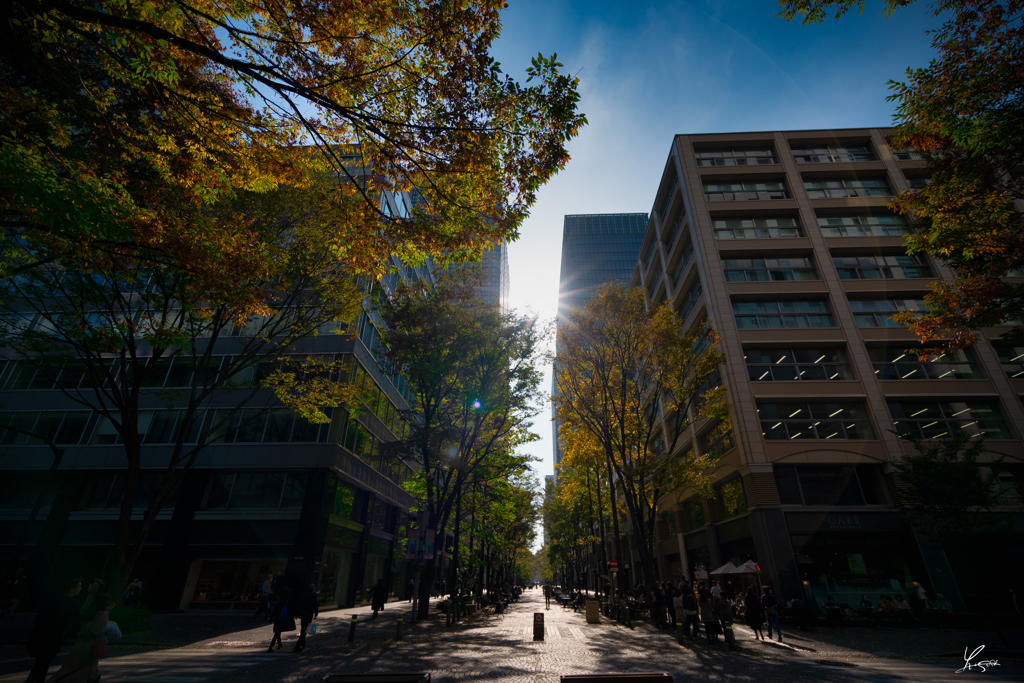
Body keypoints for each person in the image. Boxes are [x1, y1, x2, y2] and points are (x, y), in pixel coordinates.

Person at [45, 584, 114, 683]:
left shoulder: (89, 612)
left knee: (68, 669)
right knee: (82, 672)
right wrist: (105, 629)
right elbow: (95, 630)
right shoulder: (103, 614)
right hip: (90, 646)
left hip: (80, 644)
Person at [25, 578, 83, 683]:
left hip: (40, 633)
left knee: (40, 663)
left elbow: (38, 618)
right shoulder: (73, 603)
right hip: (54, 636)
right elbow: (76, 622)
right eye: (79, 586)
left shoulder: (54, 600)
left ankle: (33, 680)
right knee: (43, 663)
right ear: (71, 589)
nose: (80, 589)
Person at [293, 584, 318, 653]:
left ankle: (303, 645)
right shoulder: (313, 595)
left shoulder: (304, 595)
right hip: (308, 614)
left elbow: (299, 604)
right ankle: (298, 646)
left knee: (303, 629)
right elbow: (315, 604)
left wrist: (297, 614)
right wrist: (316, 613)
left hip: (303, 614)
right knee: (304, 631)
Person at [268, 587, 294, 652]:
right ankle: (271, 646)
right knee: (277, 632)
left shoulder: (280, 600)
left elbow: (275, 609)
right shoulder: (289, 600)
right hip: (283, 617)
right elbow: (290, 610)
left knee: (278, 631)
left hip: (278, 617)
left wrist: (271, 619)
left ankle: (279, 643)